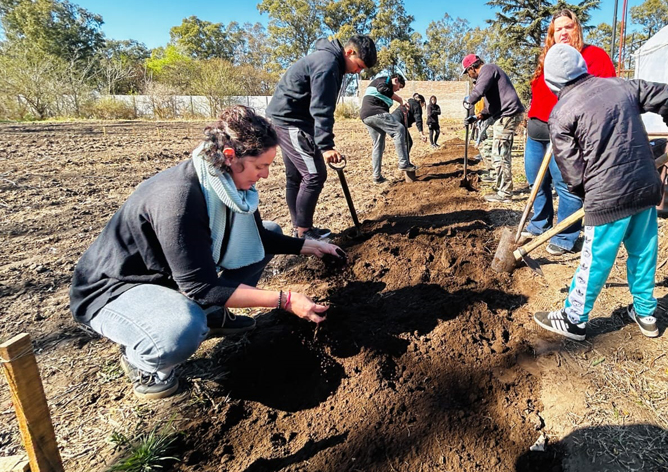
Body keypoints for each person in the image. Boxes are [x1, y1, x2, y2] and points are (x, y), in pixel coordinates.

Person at [70, 106, 347, 399]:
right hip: (115, 289)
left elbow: (258, 238)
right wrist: (285, 300)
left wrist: (308, 246)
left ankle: (215, 315)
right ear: (230, 157)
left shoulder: (227, 185)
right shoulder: (178, 199)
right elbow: (200, 286)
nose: (265, 176)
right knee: (183, 327)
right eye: (260, 167)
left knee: (273, 230)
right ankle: (145, 363)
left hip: (171, 275)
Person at [532, 44, 668, 341]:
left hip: (608, 197)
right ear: (582, 67)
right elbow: (666, 95)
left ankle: (573, 320)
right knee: (644, 252)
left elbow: (570, 168)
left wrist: (587, 193)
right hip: (646, 187)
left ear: (552, 82)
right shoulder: (621, 86)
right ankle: (646, 313)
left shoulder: (561, 113)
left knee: (594, 261)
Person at [524, 9, 617, 256]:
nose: (563, 32)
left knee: (566, 184)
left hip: (566, 133)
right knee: (536, 181)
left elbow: (608, 94)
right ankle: (539, 224)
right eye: (557, 29)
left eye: (568, 27)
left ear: (577, 28)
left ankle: (565, 235)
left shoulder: (593, 56)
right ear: (551, 35)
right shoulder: (548, 57)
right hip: (536, 131)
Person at [267, 35, 377, 240]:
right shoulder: (327, 65)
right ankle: (304, 232)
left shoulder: (327, 60)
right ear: (349, 52)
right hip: (292, 121)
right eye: (359, 66)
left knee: (296, 177)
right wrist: (326, 146)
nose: (358, 71)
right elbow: (321, 108)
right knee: (314, 175)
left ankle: (300, 230)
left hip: (287, 119)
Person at [461, 54, 525, 203]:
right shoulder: (489, 74)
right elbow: (491, 107)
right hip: (503, 115)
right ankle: (501, 186)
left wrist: (469, 101)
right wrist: (478, 116)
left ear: (472, 68)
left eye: (467, 72)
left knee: (499, 154)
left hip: (507, 114)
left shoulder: (488, 69)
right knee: (494, 150)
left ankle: (505, 193)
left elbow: (479, 90)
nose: (469, 76)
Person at [359, 73, 417, 184]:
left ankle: (377, 176)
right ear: (395, 80)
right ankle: (404, 163)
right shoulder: (385, 80)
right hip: (375, 112)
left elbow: (383, 95)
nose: (397, 90)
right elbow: (382, 89)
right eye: (398, 87)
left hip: (367, 116)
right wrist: (400, 100)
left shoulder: (384, 86)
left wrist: (400, 103)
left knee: (378, 144)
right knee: (399, 129)